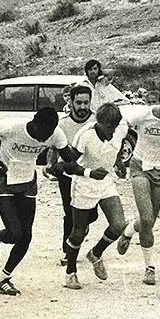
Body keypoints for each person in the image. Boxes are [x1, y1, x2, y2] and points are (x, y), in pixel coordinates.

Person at [0, 106, 69, 296]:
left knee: (26, 237)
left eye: (49, 135)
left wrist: (60, 166)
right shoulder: (12, 126)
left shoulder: (56, 134)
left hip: (28, 181)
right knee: (14, 233)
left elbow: (70, 157)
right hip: (5, 179)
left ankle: (3, 278)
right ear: (34, 124)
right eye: (42, 133)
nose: (45, 139)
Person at [115, 84, 160, 285]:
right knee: (146, 218)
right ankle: (149, 267)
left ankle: (128, 230)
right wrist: (118, 158)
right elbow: (121, 129)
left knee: (149, 222)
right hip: (139, 166)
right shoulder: (143, 114)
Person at [58, 103, 129, 290]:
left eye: (114, 127)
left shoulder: (120, 129)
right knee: (79, 232)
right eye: (108, 128)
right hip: (84, 184)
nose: (112, 131)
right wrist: (88, 172)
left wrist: (119, 161)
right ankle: (71, 271)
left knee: (118, 225)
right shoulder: (86, 134)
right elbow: (68, 164)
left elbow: (118, 144)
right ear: (99, 123)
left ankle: (96, 253)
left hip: (106, 182)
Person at [45, 84, 98, 266]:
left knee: (92, 215)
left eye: (86, 102)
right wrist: (50, 164)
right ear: (71, 102)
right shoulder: (63, 123)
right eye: (79, 103)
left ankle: (82, 227)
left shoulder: (96, 122)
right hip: (68, 175)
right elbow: (53, 146)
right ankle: (68, 250)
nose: (82, 107)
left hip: (91, 175)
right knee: (70, 213)